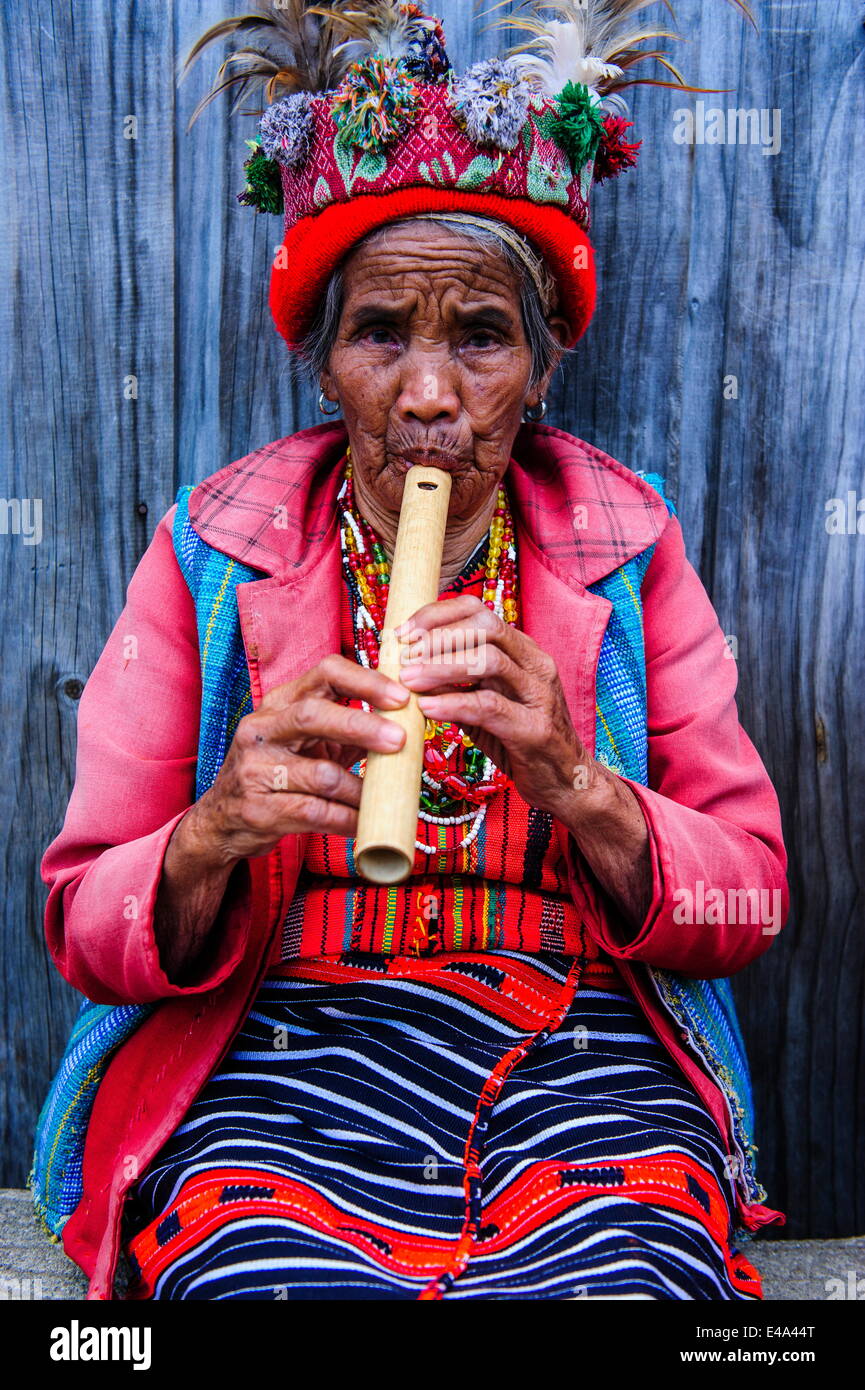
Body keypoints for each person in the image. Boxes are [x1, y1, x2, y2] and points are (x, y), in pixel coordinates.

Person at [34, 0, 785, 1300]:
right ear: (323, 362)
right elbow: (81, 921)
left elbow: (746, 900)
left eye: (480, 336)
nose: (430, 394)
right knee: (262, 1271)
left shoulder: (624, 543)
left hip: (580, 1042)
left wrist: (583, 787)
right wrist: (213, 830)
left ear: (542, 366)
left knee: (631, 1277)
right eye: (382, 331)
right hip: (273, 1046)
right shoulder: (214, 552)